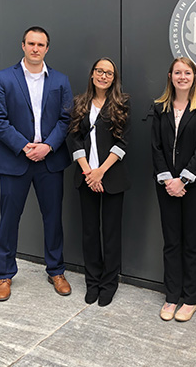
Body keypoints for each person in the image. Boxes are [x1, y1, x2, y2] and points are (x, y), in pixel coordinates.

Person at [0, 26, 73, 301]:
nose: (36, 48)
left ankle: (56, 270)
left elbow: (66, 119)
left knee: (53, 219)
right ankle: (4, 274)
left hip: (49, 160)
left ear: (47, 48)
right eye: (31, 43)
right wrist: (25, 147)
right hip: (15, 160)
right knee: (9, 219)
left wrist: (47, 146)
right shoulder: (2, 78)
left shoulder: (60, 80)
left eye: (41, 44)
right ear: (22, 45)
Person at [151, 57, 196, 322]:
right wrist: (169, 181)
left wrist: (183, 180)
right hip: (167, 186)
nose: (182, 77)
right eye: (178, 72)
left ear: (194, 77)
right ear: (170, 76)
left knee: (193, 244)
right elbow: (155, 147)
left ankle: (190, 299)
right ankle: (172, 296)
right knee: (171, 242)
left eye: (187, 73)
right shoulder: (159, 107)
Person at [70, 58, 130, 307]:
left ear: (114, 78)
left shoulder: (122, 104)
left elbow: (123, 142)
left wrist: (100, 172)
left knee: (111, 234)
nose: (104, 76)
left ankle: (108, 284)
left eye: (109, 73)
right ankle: (92, 282)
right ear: (92, 74)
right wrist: (88, 173)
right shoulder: (80, 103)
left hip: (111, 177)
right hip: (86, 178)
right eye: (99, 71)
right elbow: (74, 138)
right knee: (89, 232)